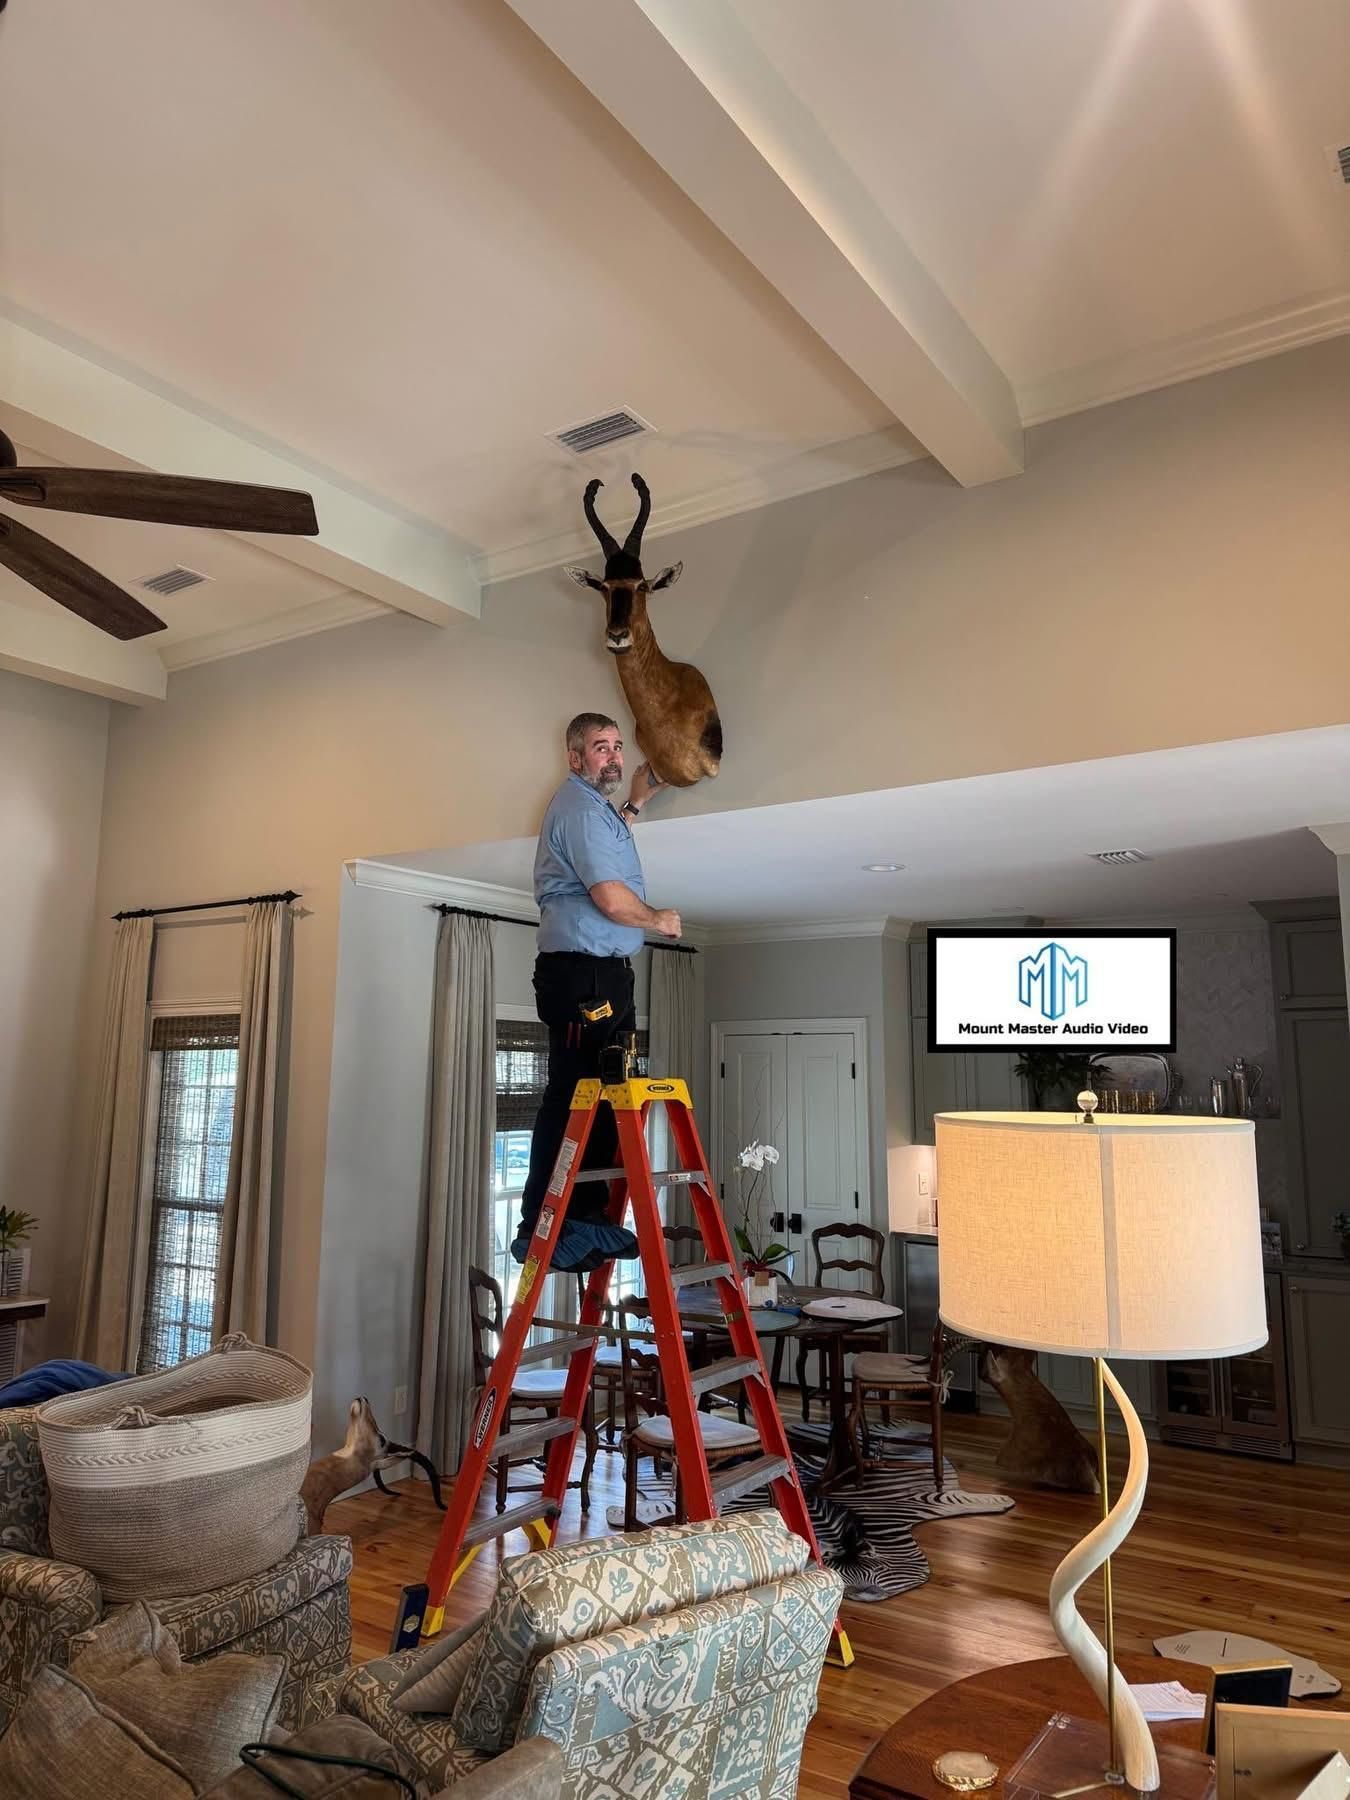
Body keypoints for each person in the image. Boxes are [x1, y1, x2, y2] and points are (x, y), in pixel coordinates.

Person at [512, 712, 682, 1272]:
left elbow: (609, 849)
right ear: (575, 757)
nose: (611, 756)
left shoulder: (598, 810)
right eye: (599, 748)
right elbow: (609, 898)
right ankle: (542, 1221)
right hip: (579, 973)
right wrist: (656, 919)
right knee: (571, 1091)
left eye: (616, 747)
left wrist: (635, 804)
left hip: (606, 972)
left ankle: (584, 1215)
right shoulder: (578, 809)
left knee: (608, 1089)